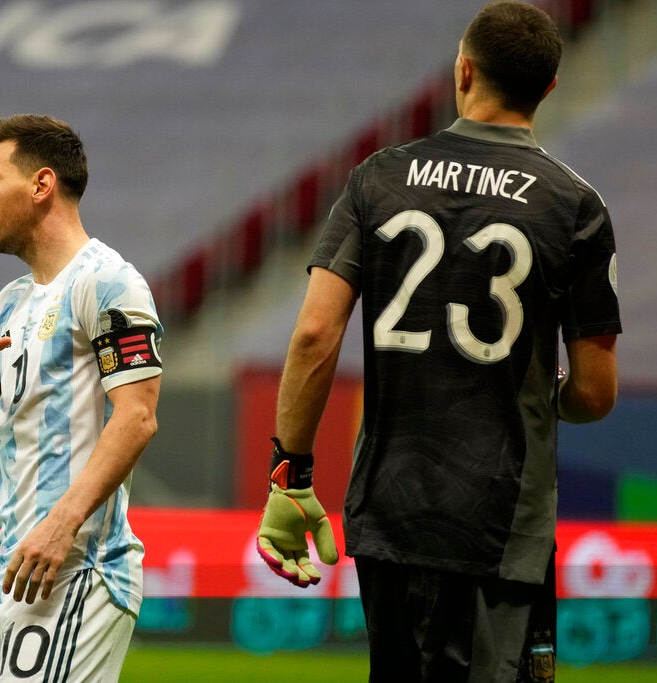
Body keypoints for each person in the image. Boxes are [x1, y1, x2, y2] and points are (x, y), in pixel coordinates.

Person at [256, 2, 620, 681]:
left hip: (389, 510)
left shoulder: (378, 178)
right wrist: (546, 396)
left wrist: (291, 474)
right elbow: (595, 392)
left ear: (463, 71)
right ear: (547, 89)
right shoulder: (575, 205)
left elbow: (312, 334)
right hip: (497, 520)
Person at [0, 114, 163, 683]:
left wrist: (61, 524)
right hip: (22, 564)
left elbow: (137, 417)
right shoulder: (13, 301)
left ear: (41, 186)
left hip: (76, 566)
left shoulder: (109, 282)